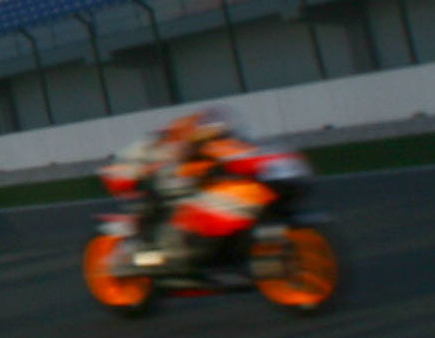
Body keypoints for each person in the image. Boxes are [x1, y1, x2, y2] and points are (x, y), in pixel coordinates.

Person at [101, 109, 308, 266]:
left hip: (171, 176)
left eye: (215, 134)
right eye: (206, 136)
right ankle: (140, 250)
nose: (213, 139)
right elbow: (128, 172)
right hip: (144, 180)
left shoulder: (210, 146)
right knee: (155, 201)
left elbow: (229, 152)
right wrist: (156, 170)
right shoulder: (154, 147)